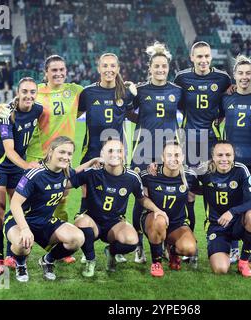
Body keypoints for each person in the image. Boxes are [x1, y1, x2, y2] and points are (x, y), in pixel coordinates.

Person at [0, 55, 84, 264]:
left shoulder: (76, 90)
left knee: (60, 199)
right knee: (24, 201)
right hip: (37, 155)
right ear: (46, 73)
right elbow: (15, 105)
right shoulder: (37, 91)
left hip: (63, 157)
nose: (59, 73)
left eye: (62, 69)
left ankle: (58, 248)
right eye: (54, 70)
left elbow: (90, 102)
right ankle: (12, 252)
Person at [4, 136, 102, 282]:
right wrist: (24, 229)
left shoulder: (64, 173)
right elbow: (15, 204)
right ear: (51, 152)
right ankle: (20, 263)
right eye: (61, 152)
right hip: (20, 220)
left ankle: (47, 260)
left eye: (69, 154)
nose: (65, 157)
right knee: (20, 243)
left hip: (45, 221)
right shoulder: (34, 173)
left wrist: (91, 162)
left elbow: (75, 171)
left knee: (77, 238)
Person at [71, 138, 168, 277]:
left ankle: (111, 252)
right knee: (81, 222)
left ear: (124, 155)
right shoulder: (92, 172)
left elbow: (142, 199)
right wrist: (91, 161)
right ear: (102, 154)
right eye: (110, 151)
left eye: (119, 151)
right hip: (92, 222)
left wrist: (156, 210)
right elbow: (69, 179)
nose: (115, 154)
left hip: (115, 224)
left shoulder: (132, 177)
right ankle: (90, 260)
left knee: (132, 240)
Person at [173, 41, 232, 265]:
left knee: (211, 194)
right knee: (186, 195)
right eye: (199, 57)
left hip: (211, 145)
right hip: (188, 144)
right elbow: (177, 103)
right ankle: (189, 242)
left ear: (211, 57)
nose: (204, 60)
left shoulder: (223, 78)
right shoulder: (182, 78)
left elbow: (229, 101)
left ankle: (214, 241)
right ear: (192, 58)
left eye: (207, 56)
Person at [126, 42, 183, 264]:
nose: (160, 70)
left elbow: (190, 112)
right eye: (156, 66)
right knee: (140, 197)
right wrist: (140, 119)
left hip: (168, 153)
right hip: (143, 150)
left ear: (168, 68)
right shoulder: (140, 90)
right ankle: (138, 245)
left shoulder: (177, 91)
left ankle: (167, 243)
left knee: (171, 196)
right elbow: (128, 110)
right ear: (149, 68)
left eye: (164, 66)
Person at [77, 52, 137, 264]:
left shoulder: (125, 93)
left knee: (121, 192)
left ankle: (118, 243)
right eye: (105, 66)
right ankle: (87, 246)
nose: (109, 69)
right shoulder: (88, 92)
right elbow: (72, 114)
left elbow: (131, 114)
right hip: (92, 150)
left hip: (117, 153)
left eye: (113, 66)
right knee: (86, 194)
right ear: (98, 68)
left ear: (118, 68)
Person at [0, 77, 42, 276]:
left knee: (19, 207)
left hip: (18, 164)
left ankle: (11, 255)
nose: (28, 95)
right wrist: (28, 167)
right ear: (18, 92)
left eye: (32, 92)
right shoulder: (7, 113)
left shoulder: (38, 109)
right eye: (24, 91)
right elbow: (9, 150)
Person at [219, 55, 251, 266]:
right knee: (231, 203)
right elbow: (215, 119)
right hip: (230, 163)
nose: (245, 77)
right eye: (241, 73)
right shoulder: (225, 98)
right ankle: (233, 249)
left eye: (248, 73)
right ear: (234, 75)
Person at [198, 141, 251, 277]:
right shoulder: (204, 170)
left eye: (228, 155)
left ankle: (244, 261)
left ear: (233, 156)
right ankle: (224, 252)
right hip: (216, 226)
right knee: (220, 269)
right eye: (220, 155)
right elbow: (183, 175)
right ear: (213, 157)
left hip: (238, 223)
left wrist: (232, 212)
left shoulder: (241, 170)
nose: (224, 159)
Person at [140, 142, 198, 277]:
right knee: (159, 220)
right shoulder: (149, 174)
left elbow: (193, 201)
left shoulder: (189, 176)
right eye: (169, 155)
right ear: (163, 157)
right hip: (153, 221)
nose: (174, 158)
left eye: (177, 155)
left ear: (183, 157)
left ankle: (172, 251)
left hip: (177, 224)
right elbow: (140, 199)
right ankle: (156, 262)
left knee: (190, 249)